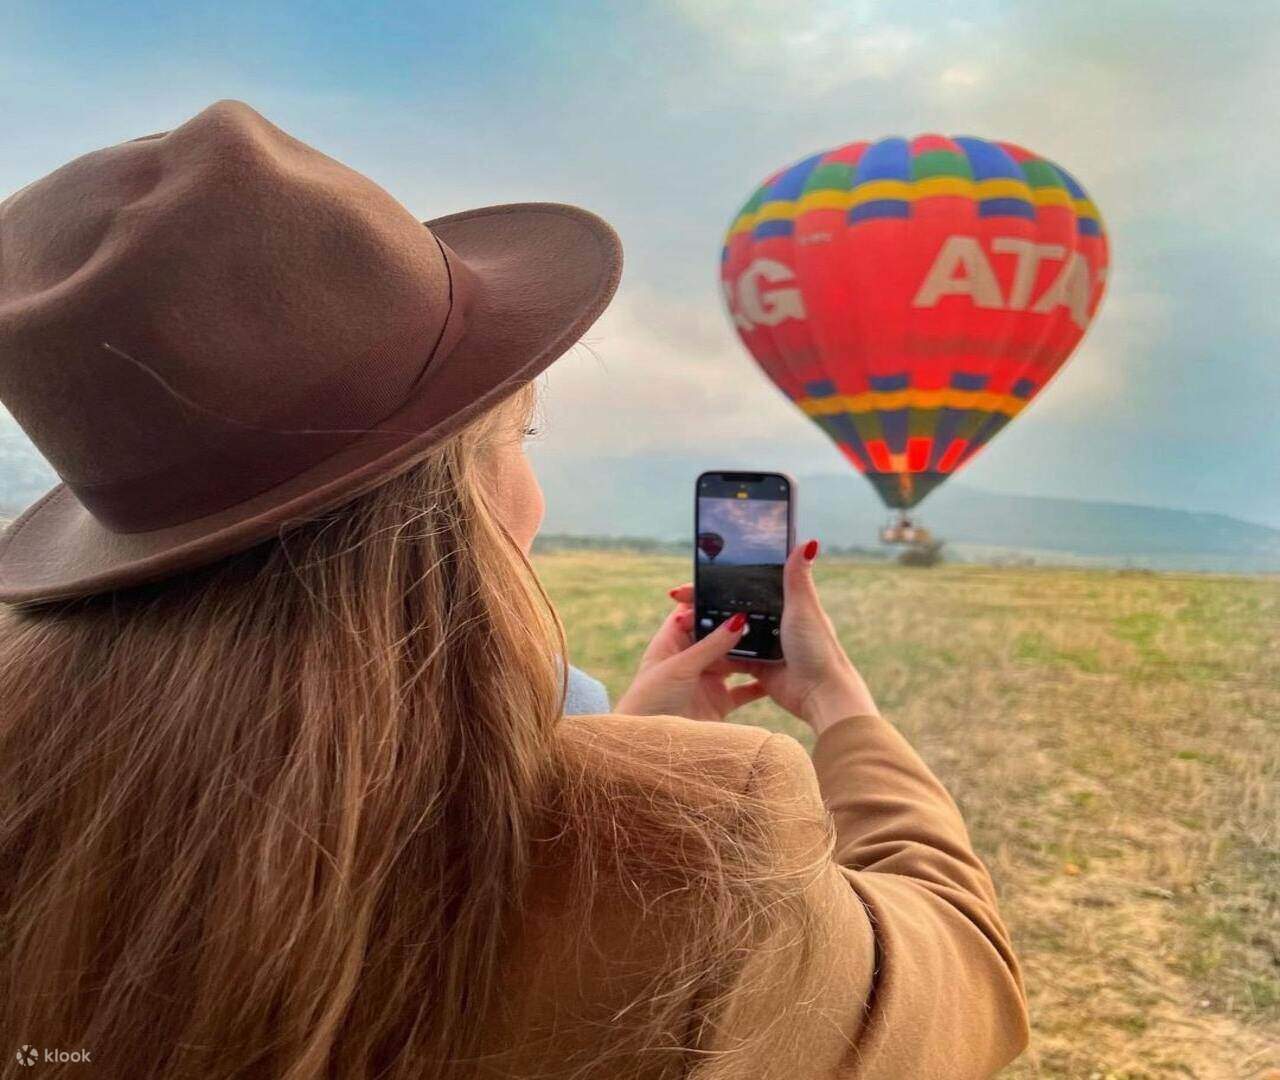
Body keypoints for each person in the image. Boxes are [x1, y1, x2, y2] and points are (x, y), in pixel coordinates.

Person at [0, 100, 1029, 1079]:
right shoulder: (698, 849)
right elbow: (966, 982)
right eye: (517, 437)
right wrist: (837, 706)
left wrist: (615, 733)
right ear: (457, 498)